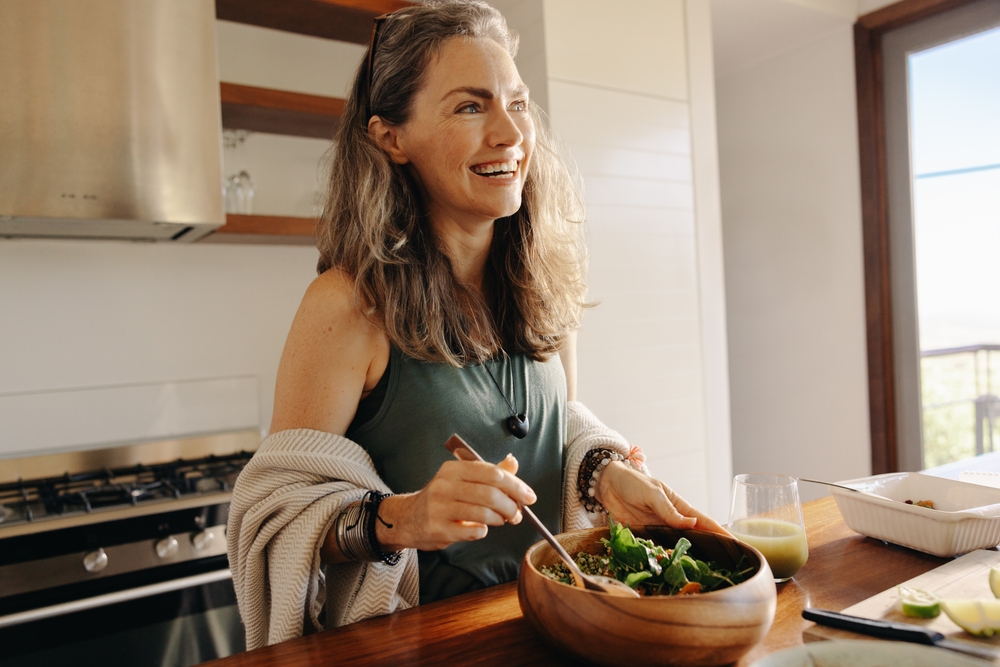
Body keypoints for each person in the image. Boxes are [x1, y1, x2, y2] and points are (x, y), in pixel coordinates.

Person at [227, 0, 727, 650]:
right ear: (391, 137)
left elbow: (559, 418)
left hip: (559, 624)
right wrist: (400, 517)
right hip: (431, 645)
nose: (510, 134)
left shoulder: (544, 284)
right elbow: (279, 511)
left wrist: (603, 472)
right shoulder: (347, 303)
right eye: (470, 106)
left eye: (516, 103)